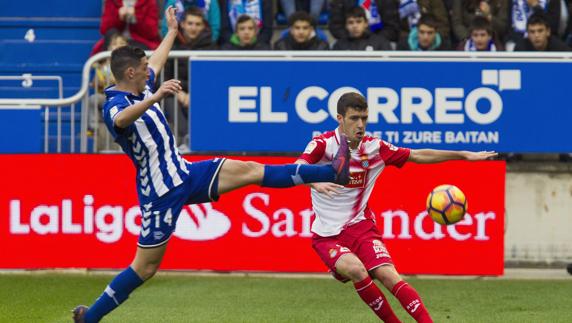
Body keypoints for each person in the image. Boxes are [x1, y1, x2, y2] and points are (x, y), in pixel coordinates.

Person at [72, 7, 351, 323]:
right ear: (131, 73)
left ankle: (333, 171)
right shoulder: (116, 105)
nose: (151, 68)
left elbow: (159, 60)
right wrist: (155, 98)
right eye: (144, 66)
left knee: (250, 170)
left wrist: (173, 31)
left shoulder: (141, 85)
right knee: (145, 268)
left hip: (185, 172)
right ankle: (91, 317)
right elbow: (122, 120)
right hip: (161, 193)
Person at [296, 92, 497, 323]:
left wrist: (462, 154)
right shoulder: (322, 145)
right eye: (354, 118)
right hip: (327, 235)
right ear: (340, 118)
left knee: (389, 276)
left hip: (360, 228)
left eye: (364, 118)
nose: (360, 124)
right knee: (358, 271)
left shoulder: (374, 148)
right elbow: (299, 166)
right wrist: (315, 181)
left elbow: (418, 154)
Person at [91, 0, 161, 55]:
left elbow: (152, 32)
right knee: (111, 37)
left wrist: (136, 17)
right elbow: (104, 29)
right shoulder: (112, 1)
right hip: (115, 41)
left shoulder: (149, 2)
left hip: (141, 43)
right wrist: (118, 17)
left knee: (131, 51)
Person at [329, 0, 400, 42]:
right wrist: (351, 39)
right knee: (336, 45)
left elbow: (392, 27)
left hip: (379, 41)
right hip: (349, 39)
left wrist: (374, 41)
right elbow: (336, 26)